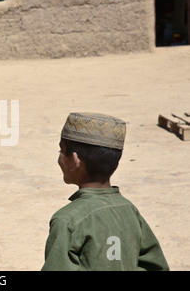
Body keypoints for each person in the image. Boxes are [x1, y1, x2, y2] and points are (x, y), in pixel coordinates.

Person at [41, 112, 169, 271]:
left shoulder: (67, 220)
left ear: (75, 161)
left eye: (61, 150)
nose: (59, 157)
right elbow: (155, 265)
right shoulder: (130, 211)